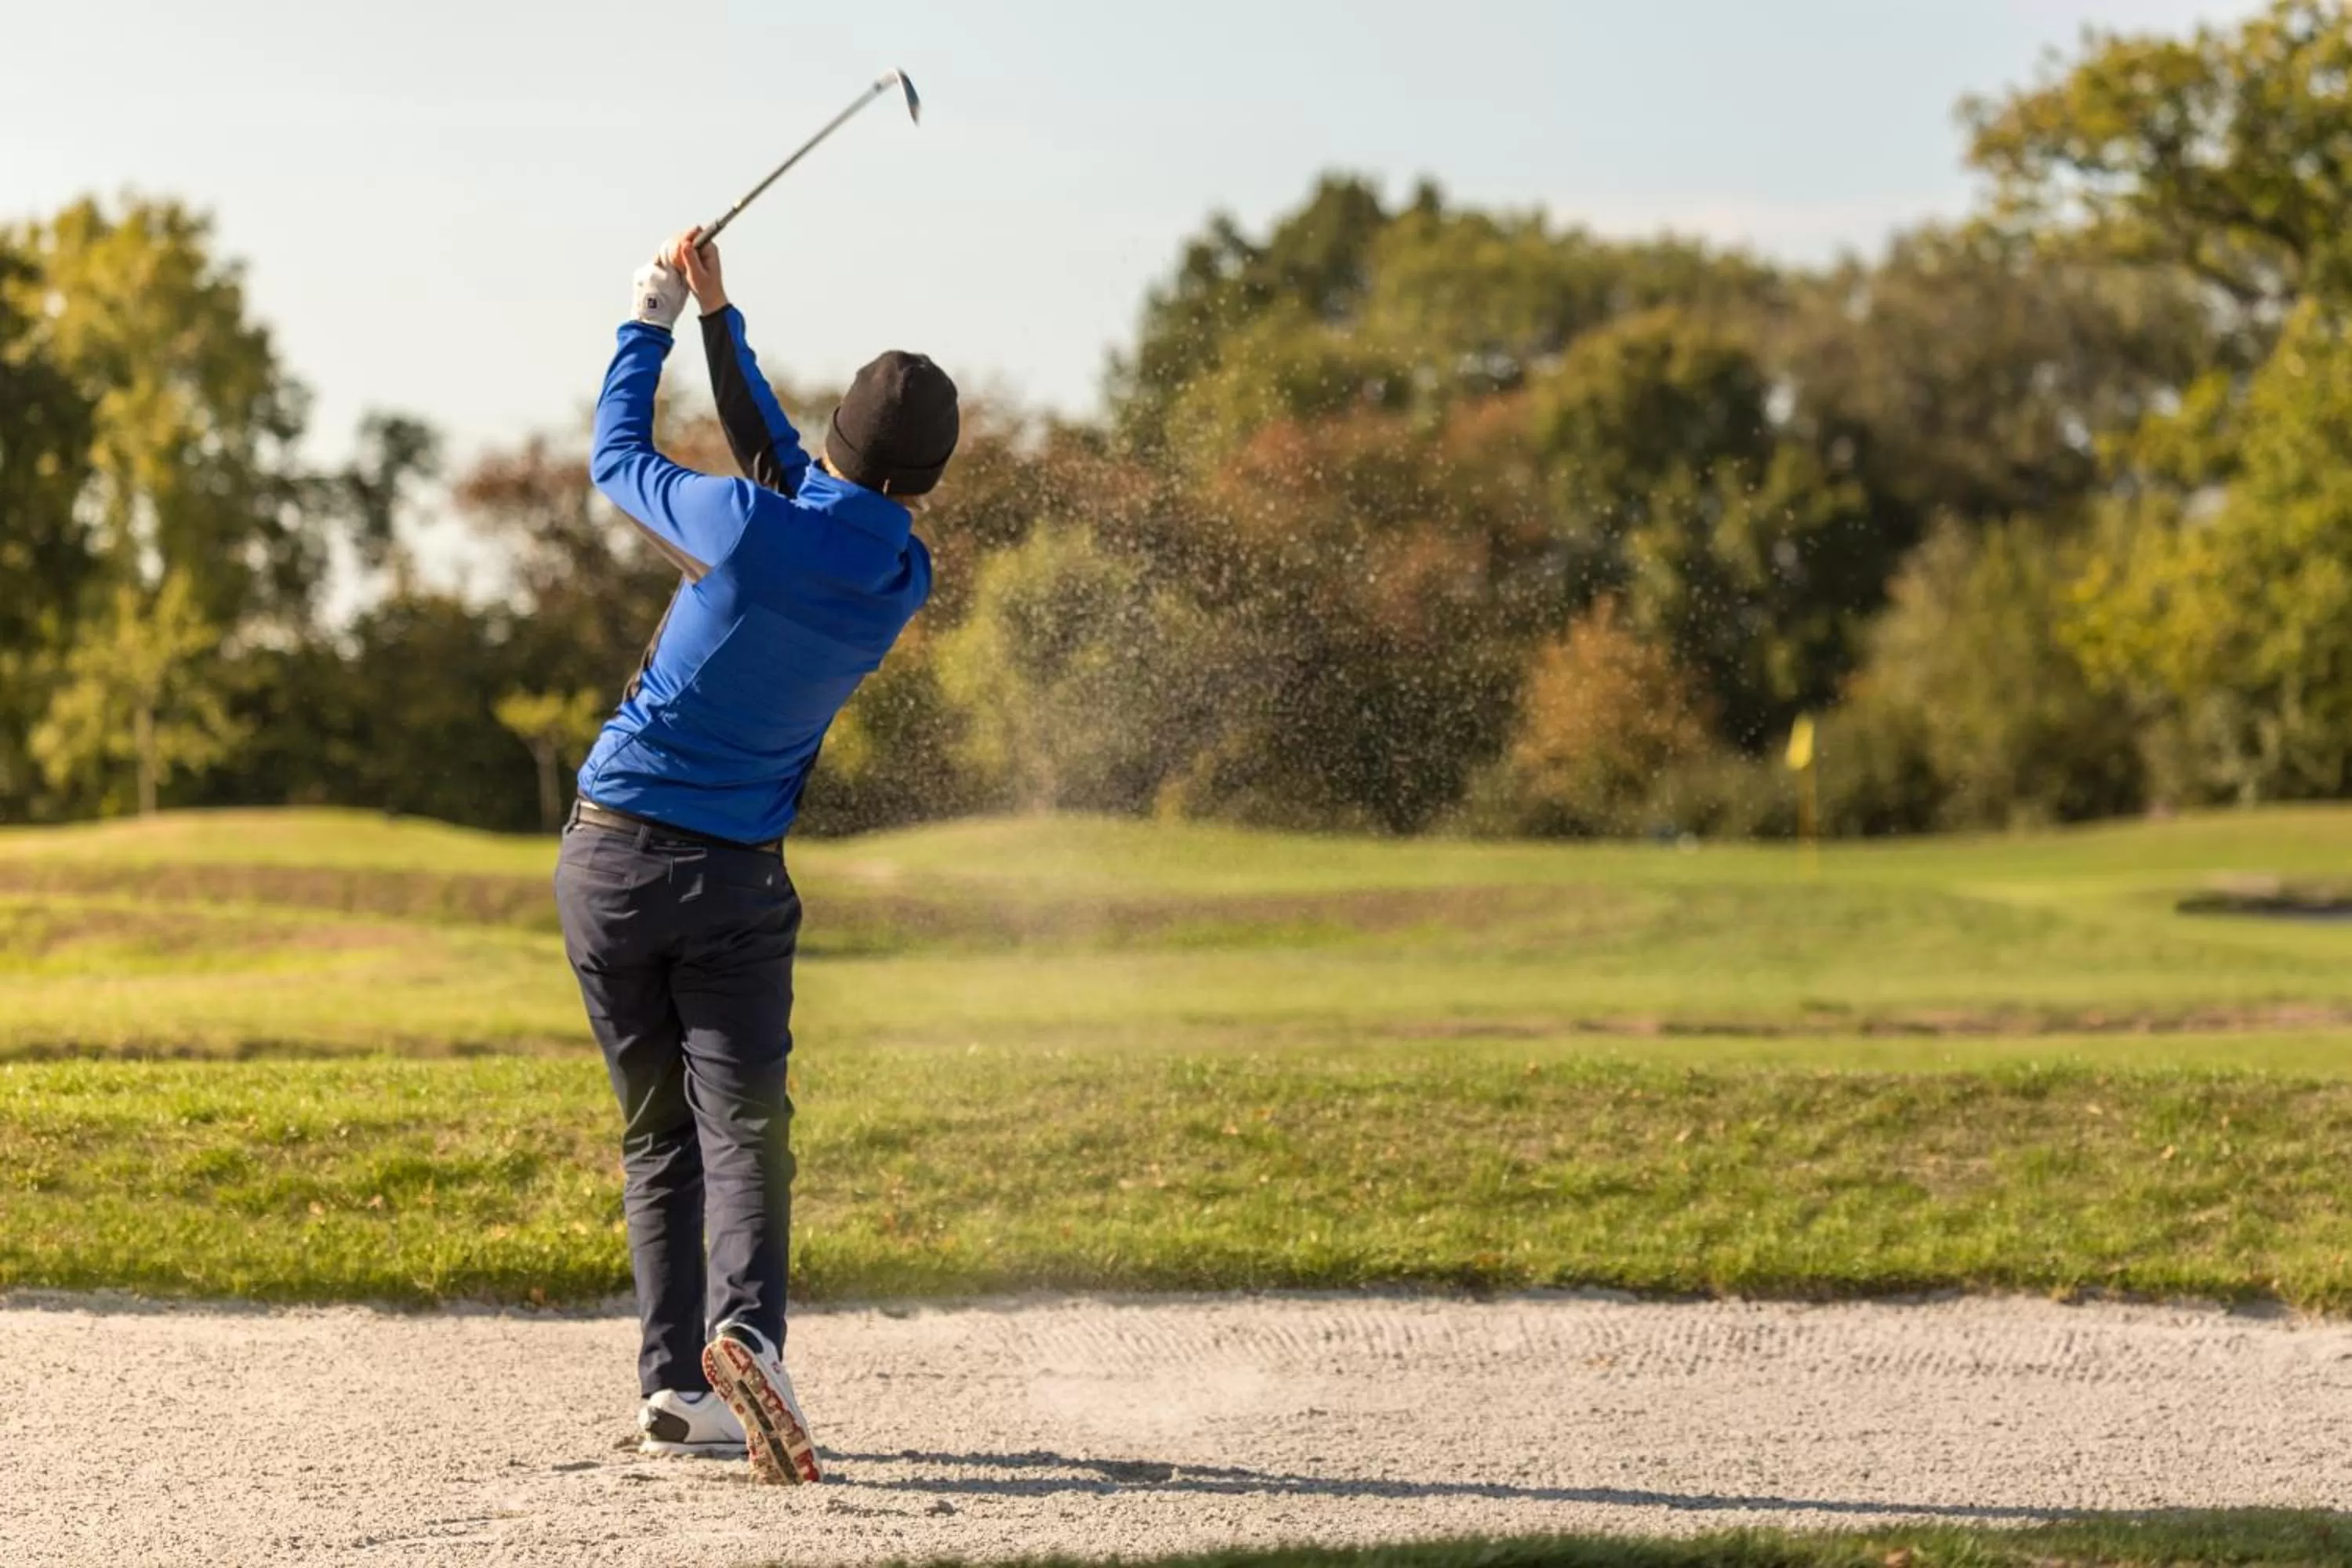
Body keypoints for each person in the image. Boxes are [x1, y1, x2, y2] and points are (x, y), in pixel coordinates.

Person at [554, 229, 957, 1486]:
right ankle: (749, 1342)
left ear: (838, 430)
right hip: (733, 882)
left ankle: (675, 1387)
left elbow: (617, 461)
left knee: (656, 1131)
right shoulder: (900, 573)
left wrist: (648, 320)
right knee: (747, 1127)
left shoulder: (734, 522)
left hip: (606, 863)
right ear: (925, 477)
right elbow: (795, 472)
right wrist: (721, 319)